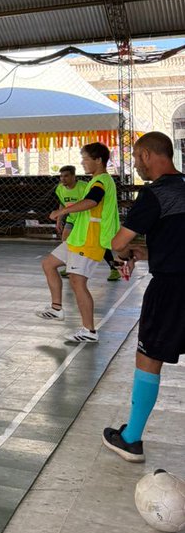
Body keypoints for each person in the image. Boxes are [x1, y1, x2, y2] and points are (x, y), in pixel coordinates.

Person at [102, 132, 185, 461]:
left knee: (149, 357)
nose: (136, 164)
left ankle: (131, 438)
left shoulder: (155, 193)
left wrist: (122, 252)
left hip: (170, 289)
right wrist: (149, 252)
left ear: (149, 155)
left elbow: (119, 242)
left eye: (137, 158)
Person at [36, 142, 119, 343]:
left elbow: (92, 201)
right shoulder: (95, 180)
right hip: (78, 237)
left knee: (77, 281)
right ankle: (56, 308)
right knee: (48, 264)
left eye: (85, 159)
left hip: (90, 238)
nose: (82, 162)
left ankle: (89, 331)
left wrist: (62, 211)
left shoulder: (102, 181)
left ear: (98, 160)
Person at [54, 165, 121, 283]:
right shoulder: (60, 189)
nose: (63, 179)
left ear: (73, 176)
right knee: (65, 240)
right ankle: (70, 266)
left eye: (66, 176)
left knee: (101, 245)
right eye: (61, 176)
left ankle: (113, 268)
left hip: (86, 220)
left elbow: (91, 201)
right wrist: (59, 220)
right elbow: (62, 204)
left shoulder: (85, 186)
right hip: (72, 219)